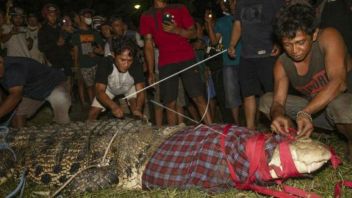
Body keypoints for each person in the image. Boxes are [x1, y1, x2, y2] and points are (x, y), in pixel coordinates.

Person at [258, 3, 352, 160]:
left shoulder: (328, 37)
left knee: (339, 105)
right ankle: (297, 140)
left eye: (300, 42)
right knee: (267, 101)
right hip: (316, 112)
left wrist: (306, 112)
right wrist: (277, 115)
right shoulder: (282, 63)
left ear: (314, 34)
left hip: (344, 107)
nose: (294, 51)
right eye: (287, 44)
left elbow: (339, 83)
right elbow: (278, 103)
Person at [140, 0, 212, 125]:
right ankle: (172, 135)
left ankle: (212, 129)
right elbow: (148, 45)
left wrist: (177, 30)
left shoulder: (179, 8)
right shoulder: (146, 15)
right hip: (166, 61)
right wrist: (150, 72)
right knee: (169, 101)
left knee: (197, 96)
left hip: (187, 57)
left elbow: (194, 33)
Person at [228, 0, 284, 129]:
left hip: (268, 54)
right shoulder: (241, 3)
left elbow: (281, 21)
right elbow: (238, 24)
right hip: (247, 55)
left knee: (272, 94)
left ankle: (278, 127)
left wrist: (278, 43)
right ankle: (250, 130)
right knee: (247, 93)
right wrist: (232, 44)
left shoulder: (275, 2)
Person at [0, 55, 71, 128]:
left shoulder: (14, 68)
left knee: (60, 99)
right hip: (32, 91)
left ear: (1, 62)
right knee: (17, 118)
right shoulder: (4, 69)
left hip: (52, 84)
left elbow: (15, 96)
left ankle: (63, 131)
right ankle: (23, 137)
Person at [205, 0, 242, 124]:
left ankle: (254, 124)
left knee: (250, 94)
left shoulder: (245, 16)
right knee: (232, 97)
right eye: (221, 3)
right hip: (229, 63)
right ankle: (236, 126)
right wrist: (209, 23)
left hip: (247, 59)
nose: (232, 4)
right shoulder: (221, 22)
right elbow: (214, 42)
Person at [87, 38, 140, 120]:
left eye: (129, 60)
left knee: (136, 111)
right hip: (110, 89)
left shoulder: (136, 64)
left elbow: (141, 91)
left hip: (129, 88)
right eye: (122, 60)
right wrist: (113, 106)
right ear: (113, 55)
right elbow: (99, 91)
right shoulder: (105, 63)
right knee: (92, 113)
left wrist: (138, 109)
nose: (126, 64)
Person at [72, 8, 104, 104]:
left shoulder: (95, 33)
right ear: (81, 17)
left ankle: (101, 104)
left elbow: (102, 49)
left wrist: (95, 53)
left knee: (99, 86)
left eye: (90, 16)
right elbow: (75, 52)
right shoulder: (76, 34)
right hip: (84, 65)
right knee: (89, 87)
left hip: (96, 64)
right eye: (87, 16)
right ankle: (94, 104)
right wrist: (76, 67)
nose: (89, 18)